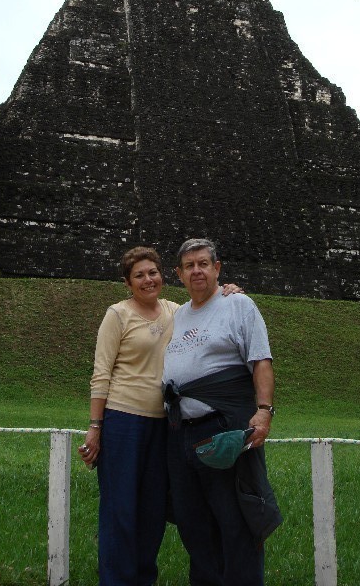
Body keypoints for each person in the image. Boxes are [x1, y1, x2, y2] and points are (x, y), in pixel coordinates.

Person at [78, 245, 242, 586]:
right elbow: (101, 373)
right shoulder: (118, 315)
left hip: (166, 423)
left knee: (153, 509)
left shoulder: (175, 312)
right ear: (128, 283)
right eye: (139, 275)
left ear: (163, 276)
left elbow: (206, 310)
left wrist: (228, 293)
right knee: (120, 507)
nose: (148, 280)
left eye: (152, 272)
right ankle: (116, 580)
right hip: (123, 419)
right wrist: (96, 426)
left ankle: (143, 579)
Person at [162, 238, 280, 586]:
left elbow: (260, 361)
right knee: (193, 522)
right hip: (180, 433)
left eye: (203, 263)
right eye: (189, 266)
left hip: (222, 428)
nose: (196, 270)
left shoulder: (238, 305)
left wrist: (264, 410)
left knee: (235, 520)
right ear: (179, 274)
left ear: (217, 268)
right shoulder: (177, 314)